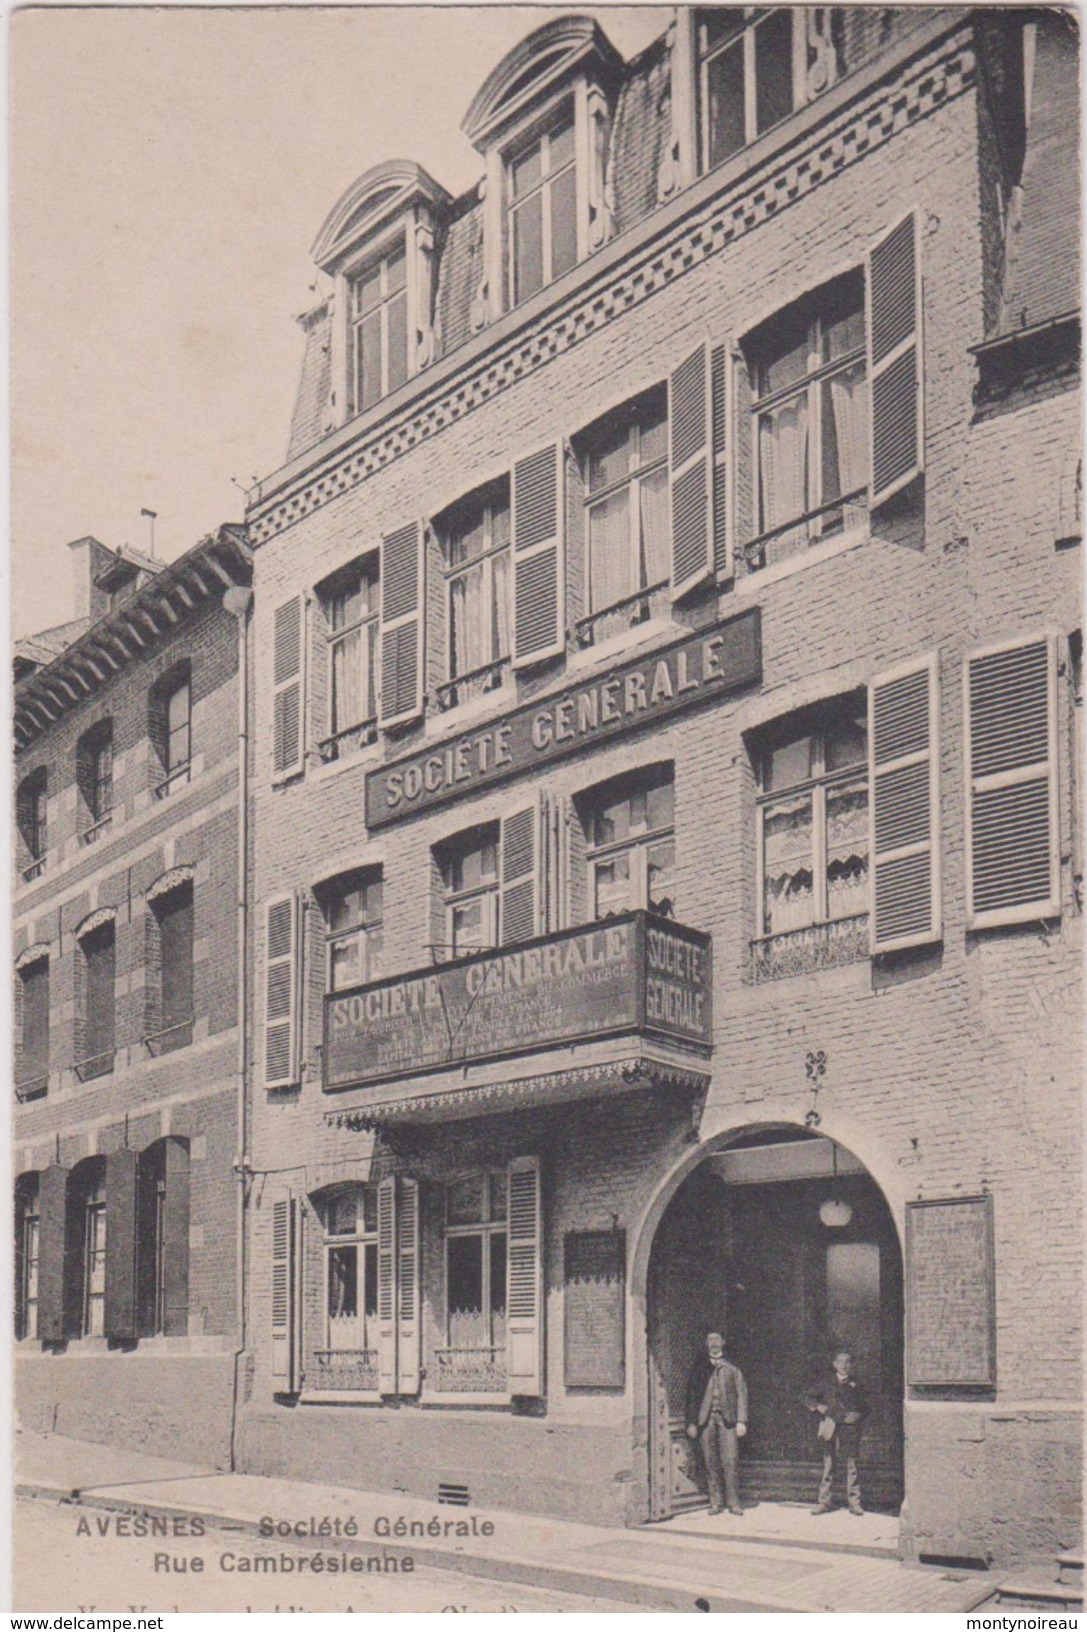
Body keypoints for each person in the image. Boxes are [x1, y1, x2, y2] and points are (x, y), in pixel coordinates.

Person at [685, 1331, 748, 1516]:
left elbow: (742, 1394)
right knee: (710, 1461)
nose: (714, 1343)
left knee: (730, 1460)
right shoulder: (700, 1367)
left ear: (723, 1342)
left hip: (728, 1420)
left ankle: (733, 1502)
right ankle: (715, 1502)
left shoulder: (732, 1367)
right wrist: (691, 1422)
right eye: (710, 1340)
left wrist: (741, 1420)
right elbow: (691, 1397)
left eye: (717, 1340)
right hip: (705, 1421)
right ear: (706, 1344)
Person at [805, 1349, 866, 1515]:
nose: (843, 1365)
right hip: (831, 1427)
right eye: (840, 1362)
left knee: (852, 1465)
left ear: (852, 1365)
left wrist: (858, 1415)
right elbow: (807, 1397)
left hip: (850, 1429)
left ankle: (854, 1503)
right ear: (834, 1364)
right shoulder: (826, 1383)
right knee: (828, 1465)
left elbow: (867, 1406)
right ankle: (824, 1502)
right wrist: (818, 1407)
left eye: (847, 1362)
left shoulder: (858, 1384)